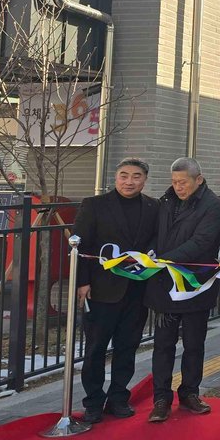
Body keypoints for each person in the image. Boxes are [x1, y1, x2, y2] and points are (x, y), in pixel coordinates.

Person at [74, 158, 158, 424]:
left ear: (144, 179)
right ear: (116, 177)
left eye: (136, 176)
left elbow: (156, 241)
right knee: (95, 348)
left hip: (137, 288)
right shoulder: (94, 205)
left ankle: (119, 398)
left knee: (127, 346)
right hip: (101, 289)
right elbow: (81, 246)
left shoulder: (153, 207)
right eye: (124, 175)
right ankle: (93, 402)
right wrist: (82, 282)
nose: (129, 181)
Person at [146, 158, 220, 423]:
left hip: (195, 285)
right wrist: (151, 254)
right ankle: (161, 398)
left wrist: (165, 259)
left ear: (198, 180)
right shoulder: (165, 202)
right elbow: (154, 234)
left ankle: (190, 392)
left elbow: (202, 242)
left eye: (183, 182)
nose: (178, 187)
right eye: (174, 182)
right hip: (164, 285)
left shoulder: (212, 205)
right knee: (163, 345)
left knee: (194, 343)